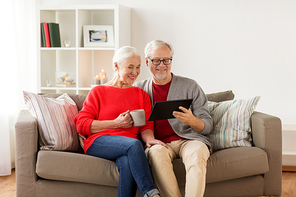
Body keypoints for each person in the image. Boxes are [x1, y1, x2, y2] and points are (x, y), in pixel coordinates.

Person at [74, 46, 166, 197]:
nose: (135, 72)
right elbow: (81, 124)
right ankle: (151, 193)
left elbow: (146, 125)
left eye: (138, 67)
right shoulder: (98, 91)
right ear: (116, 65)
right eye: (130, 67)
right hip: (99, 142)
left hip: (128, 147)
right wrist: (116, 124)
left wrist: (150, 140)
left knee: (128, 163)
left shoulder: (141, 94)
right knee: (134, 145)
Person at [134, 40, 213, 197]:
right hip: (159, 143)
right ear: (146, 61)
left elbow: (208, 125)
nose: (162, 65)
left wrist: (192, 120)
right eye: (156, 60)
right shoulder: (139, 88)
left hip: (189, 140)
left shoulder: (190, 86)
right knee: (155, 154)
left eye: (167, 60)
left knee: (197, 153)